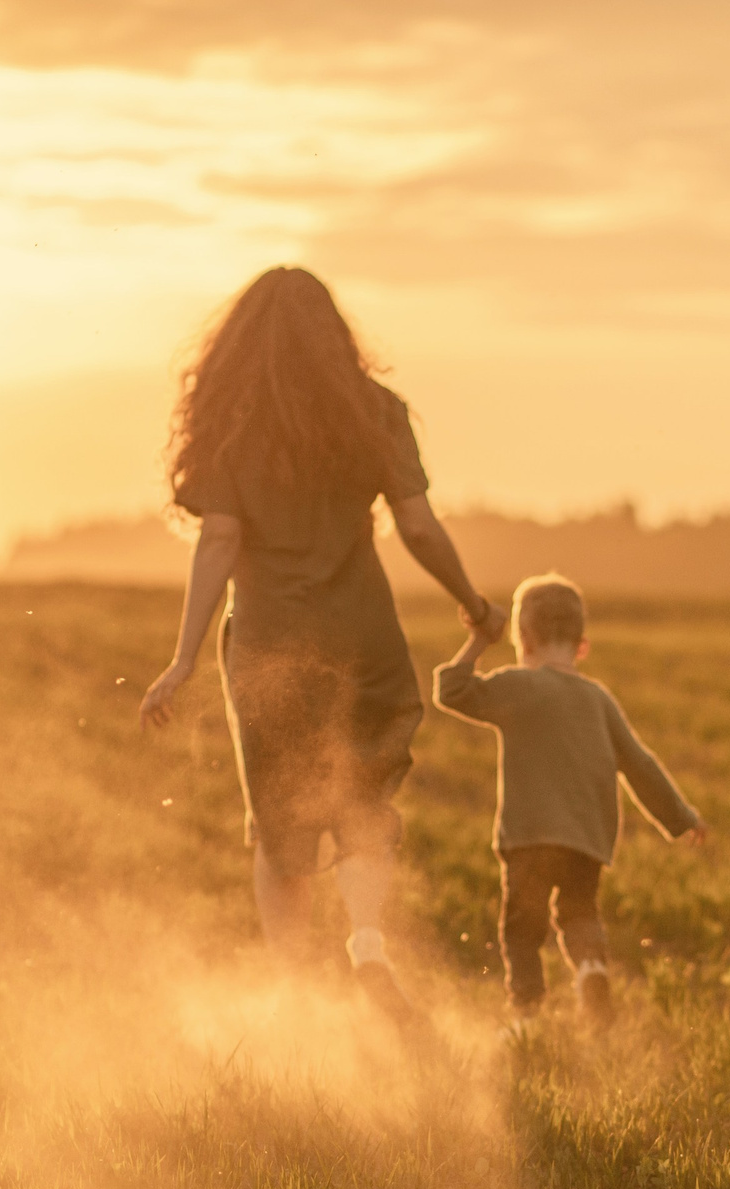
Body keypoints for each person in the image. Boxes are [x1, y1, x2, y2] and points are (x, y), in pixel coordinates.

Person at [138, 268, 506, 1018]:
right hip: (362, 642)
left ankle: (296, 999)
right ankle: (367, 942)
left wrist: (182, 660)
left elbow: (219, 542)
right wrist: (472, 603)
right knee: (364, 804)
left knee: (281, 832)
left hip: (269, 650)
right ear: (334, 335)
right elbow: (417, 526)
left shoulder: (232, 428)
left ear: (239, 344)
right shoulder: (375, 413)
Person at [433, 574, 705, 1028]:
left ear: (524, 640)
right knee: (579, 914)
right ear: (583, 646)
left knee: (523, 929)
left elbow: (452, 691)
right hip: (586, 839)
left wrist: (479, 641)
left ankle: (526, 1016)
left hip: (529, 837)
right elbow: (639, 764)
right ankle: (592, 970)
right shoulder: (598, 699)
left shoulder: (520, 686)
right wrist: (682, 817)